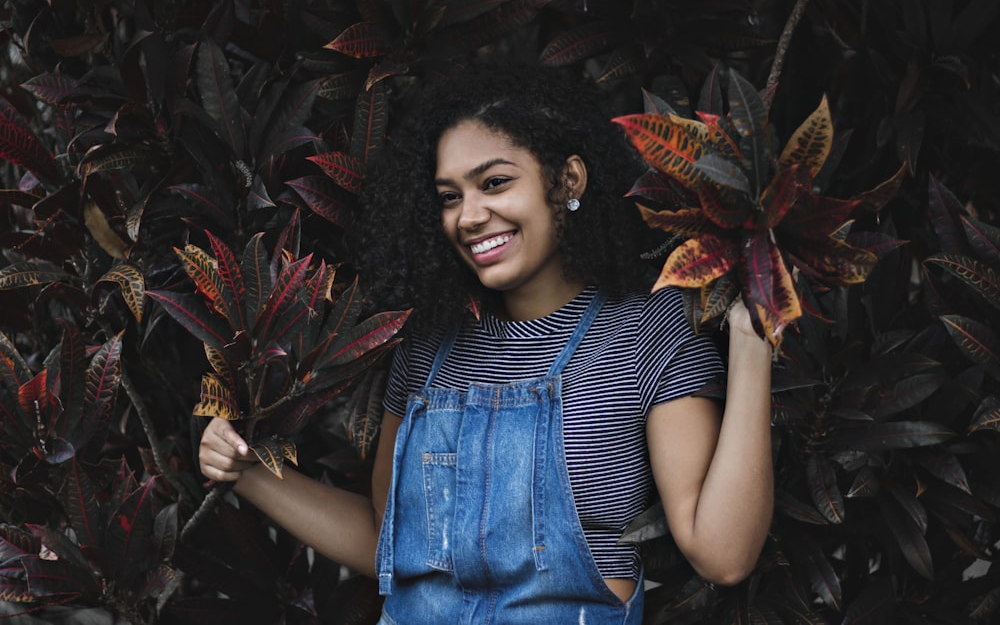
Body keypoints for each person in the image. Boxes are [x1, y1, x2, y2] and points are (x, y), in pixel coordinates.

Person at [198, 63, 774, 624]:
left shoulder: (646, 331)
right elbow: (387, 540)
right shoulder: (428, 345)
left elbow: (722, 555)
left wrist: (751, 343)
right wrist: (245, 471)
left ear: (568, 180)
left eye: (495, 182)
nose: (469, 216)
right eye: (450, 196)